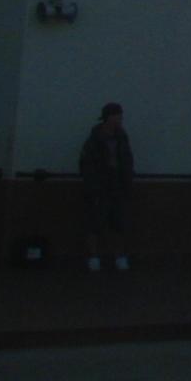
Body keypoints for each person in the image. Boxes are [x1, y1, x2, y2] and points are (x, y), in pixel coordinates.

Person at [78, 102, 135, 272]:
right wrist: (92, 184)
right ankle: (94, 257)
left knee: (119, 223)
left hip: (118, 184)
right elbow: (86, 164)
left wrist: (127, 179)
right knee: (95, 222)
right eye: (117, 115)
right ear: (108, 117)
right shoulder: (95, 139)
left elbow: (127, 159)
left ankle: (119, 256)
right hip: (100, 186)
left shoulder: (122, 137)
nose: (120, 119)